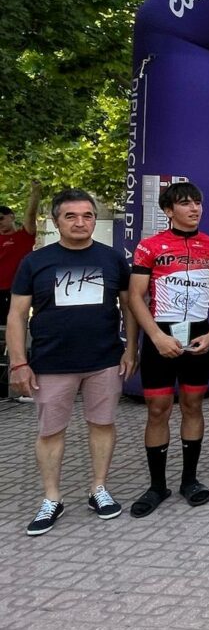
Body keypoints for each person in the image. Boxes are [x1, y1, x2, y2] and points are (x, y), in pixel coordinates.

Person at [8, 188, 138, 535]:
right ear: (56, 221)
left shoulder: (112, 259)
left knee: (103, 424)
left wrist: (130, 349)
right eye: (71, 216)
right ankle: (52, 498)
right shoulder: (35, 262)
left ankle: (98, 488)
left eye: (87, 216)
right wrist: (19, 362)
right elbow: (18, 315)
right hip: (50, 363)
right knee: (50, 431)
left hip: (104, 360)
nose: (81, 222)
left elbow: (129, 308)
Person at [126, 181, 209, 517]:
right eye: (185, 204)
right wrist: (155, 336)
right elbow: (135, 297)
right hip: (161, 336)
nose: (194, 208)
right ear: (169, 211)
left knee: (192, 405)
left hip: (198, 337)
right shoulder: (149, 247)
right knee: (157, 409)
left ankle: (190, 479)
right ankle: (157, 485)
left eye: (197, 202)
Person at [0, 179, 41, 319]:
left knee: (16, 321)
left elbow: (30, 214)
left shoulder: (24, 236)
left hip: (19, 289)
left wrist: (35, 192)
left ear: (11, 216)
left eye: (1, 218)